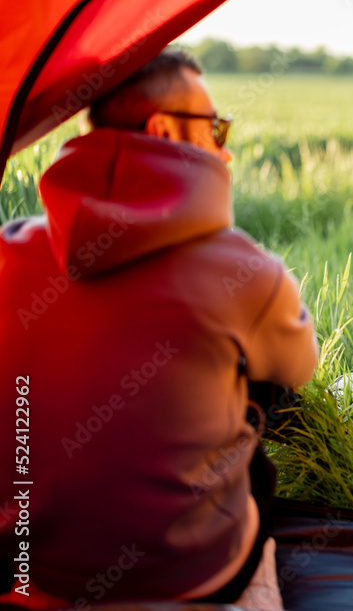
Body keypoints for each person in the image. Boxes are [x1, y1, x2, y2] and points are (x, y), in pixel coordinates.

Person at [0, 48, 318, 608]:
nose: (227, 149)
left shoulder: (9, 250)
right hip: (190, 575)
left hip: (28, 564)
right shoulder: (247, 271)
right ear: (165, 128)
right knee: (267, 391)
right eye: (216, 128)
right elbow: (300, 368)